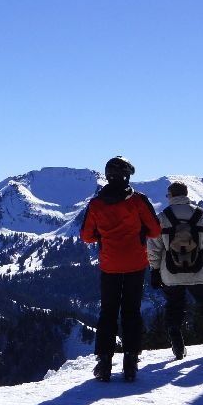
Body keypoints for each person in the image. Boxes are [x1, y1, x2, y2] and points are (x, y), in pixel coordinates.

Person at [80, 156, 162, 382]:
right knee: (131, 311)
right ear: (127, 176)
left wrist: (102, 236)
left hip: (110, 265)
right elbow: (155, 231)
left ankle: (104, 362)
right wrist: (140, 233)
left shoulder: (96, 204)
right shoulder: (138, 200)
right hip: (135, 263)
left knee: (108, 312)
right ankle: (131, 360)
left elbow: (86, 236)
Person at [147, 181, 203, 360]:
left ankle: (178, 347)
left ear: (171, 196)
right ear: (186, 195)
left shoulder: (163, 217)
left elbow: (154, 248)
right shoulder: (201, 215)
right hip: (199, 271)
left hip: (171, 273)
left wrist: (154, 270)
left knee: (174, 307)